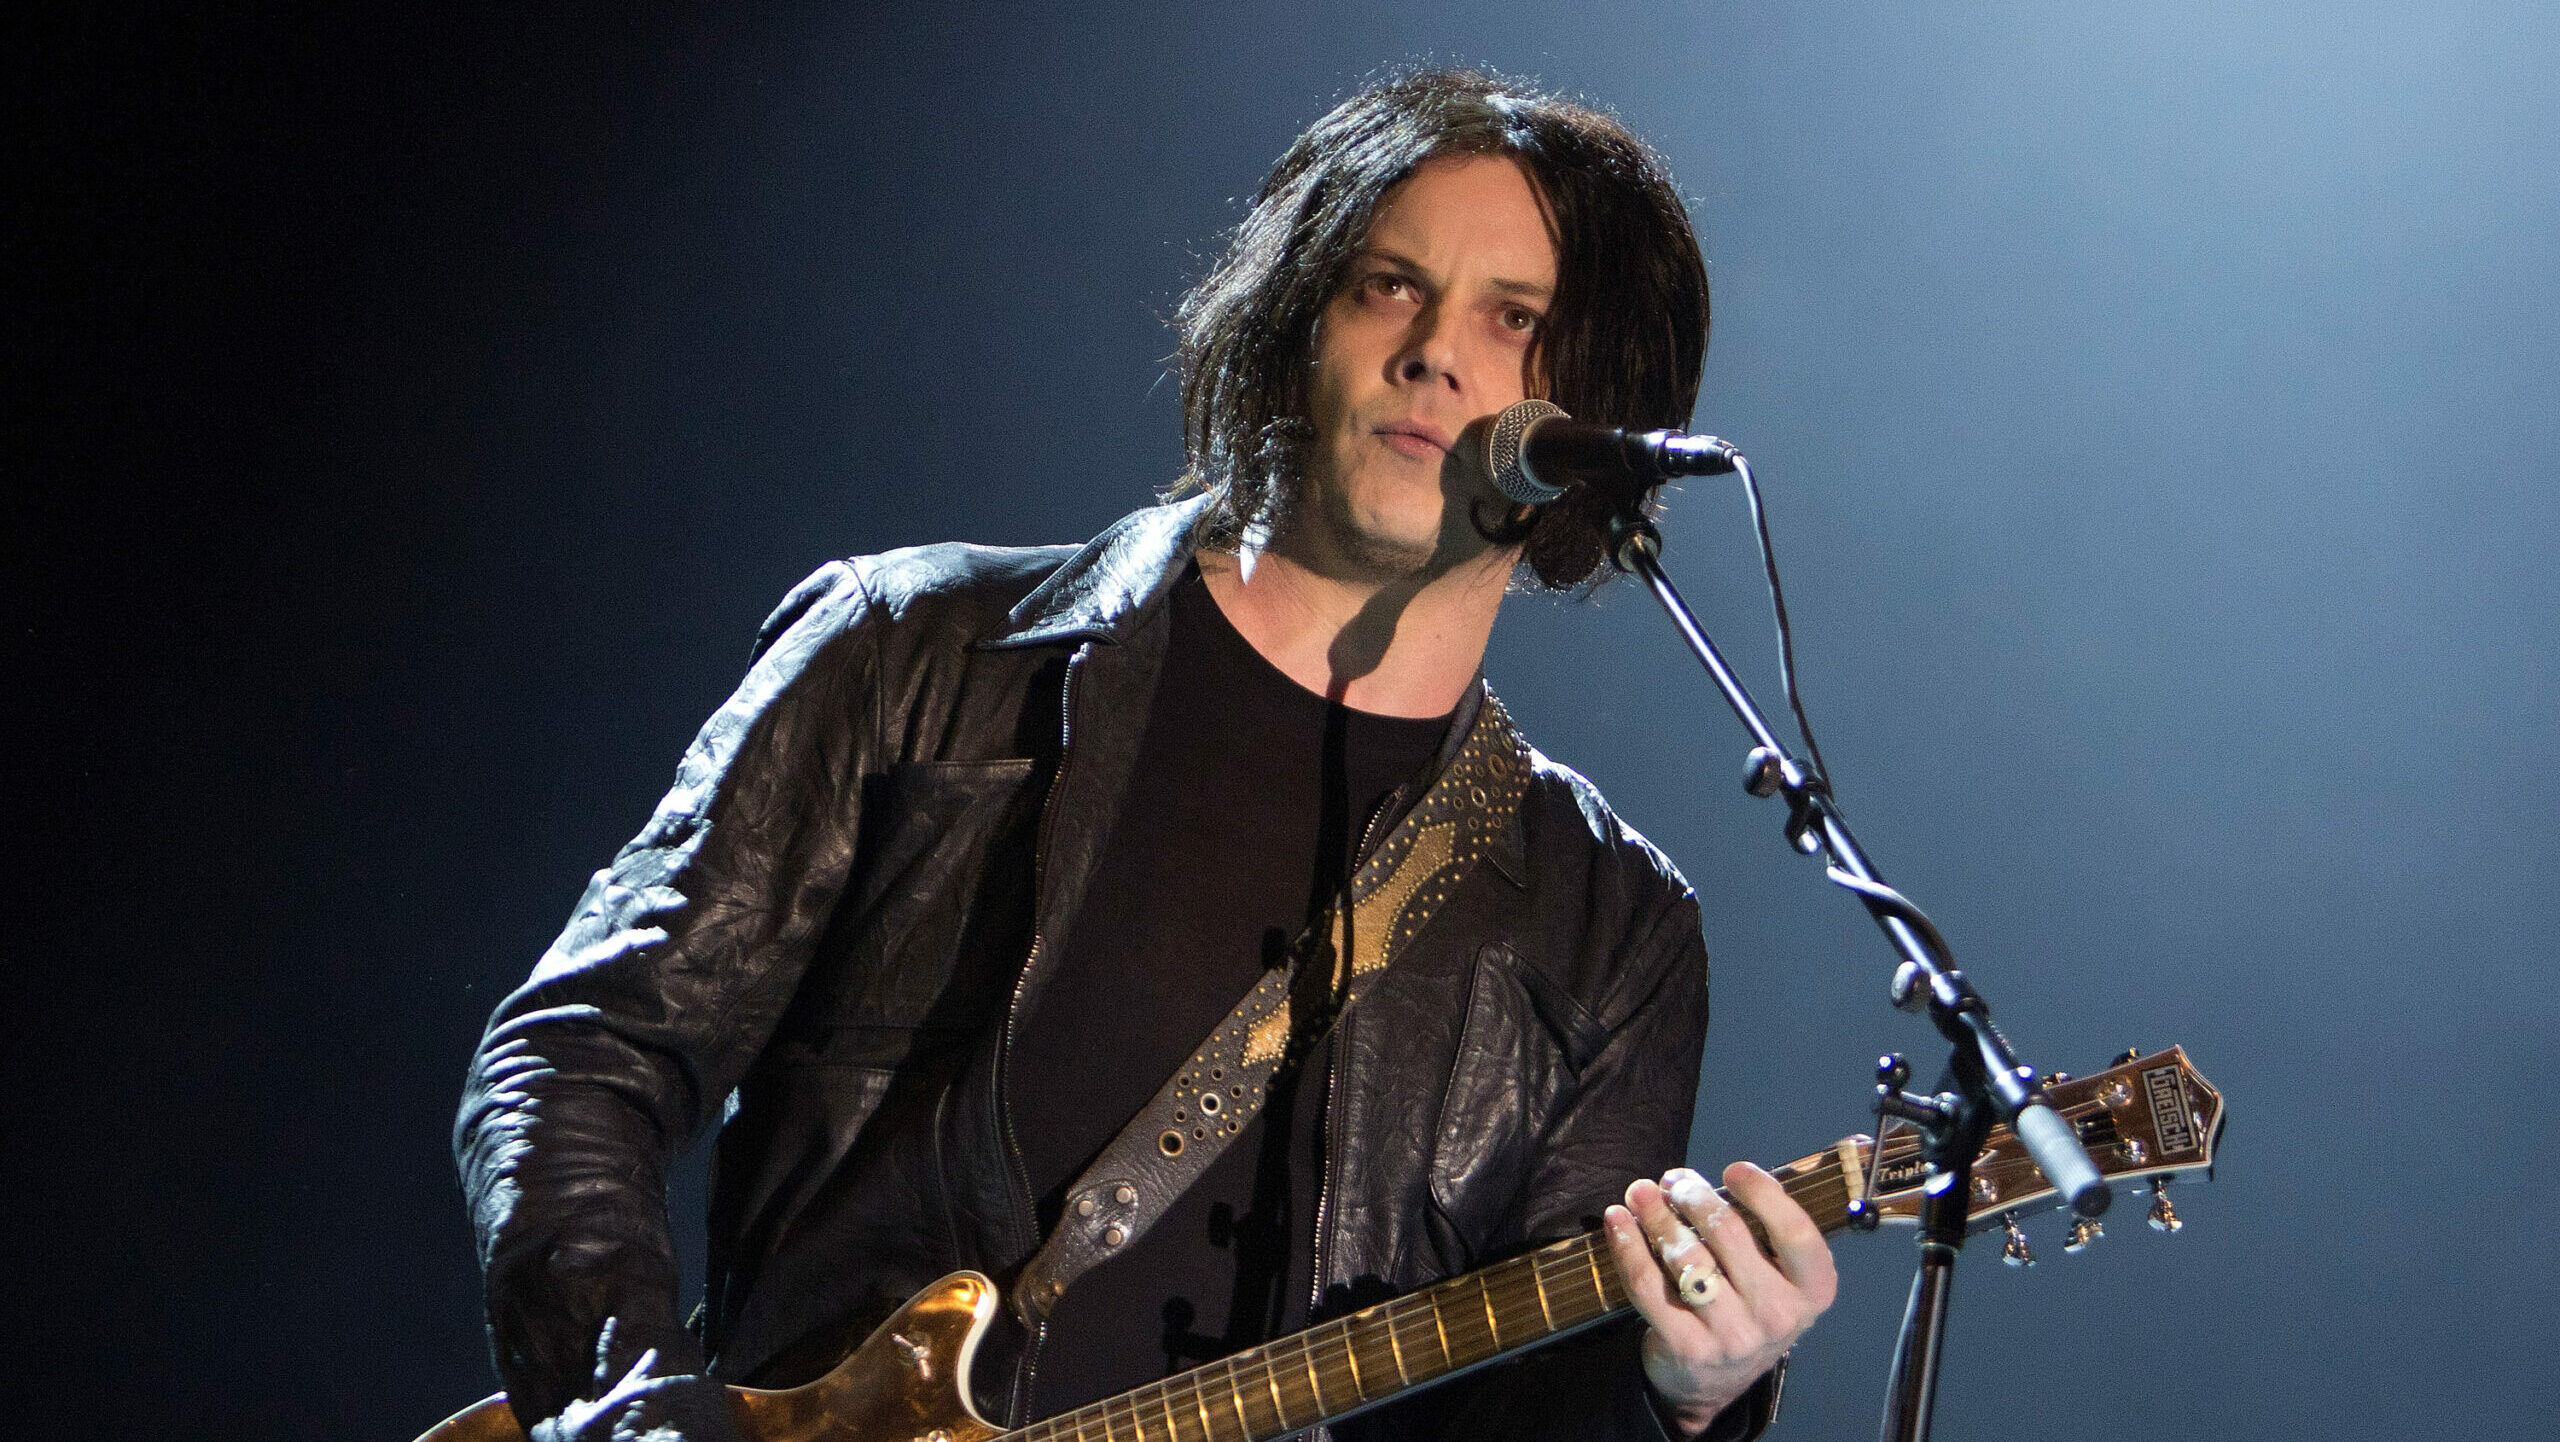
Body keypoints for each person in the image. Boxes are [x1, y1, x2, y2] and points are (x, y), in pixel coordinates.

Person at [456, 69, 1835, 1442]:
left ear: (1598, 416)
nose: (1435, 354)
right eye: (1386, 286)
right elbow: (577, 1056)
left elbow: (1518, 1421)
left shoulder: (1613, 932)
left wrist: (1685, 1392)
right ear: (1298, 320)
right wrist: (624, 1405)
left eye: (1515, 320)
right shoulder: (919, 652)